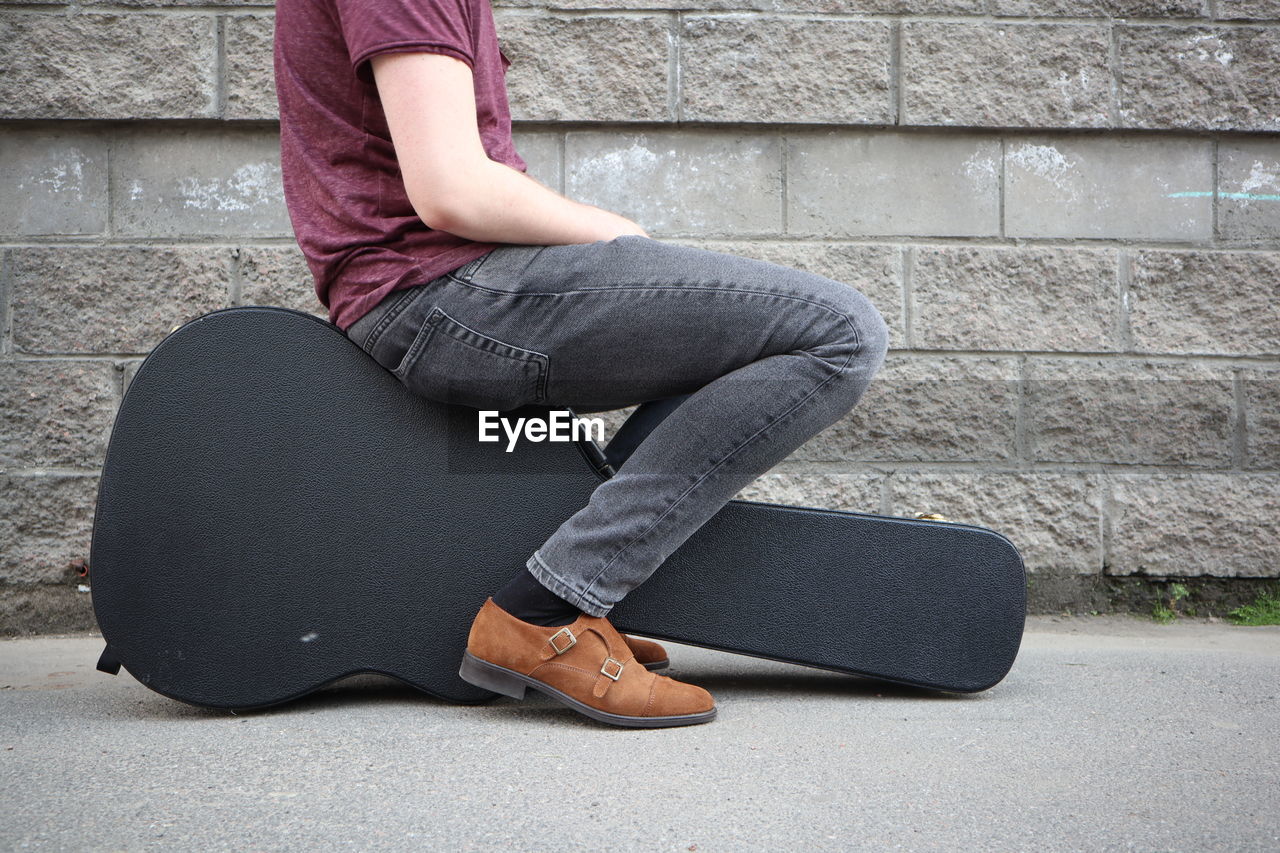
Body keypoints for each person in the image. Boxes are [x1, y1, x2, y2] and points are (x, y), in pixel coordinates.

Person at [274, 0, 890, 728]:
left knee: (738, 335)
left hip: (434, 288)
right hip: (441, 294)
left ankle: (579, 591)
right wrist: (619, 239)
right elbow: (450, 189)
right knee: (839, 332)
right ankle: (549, 609)